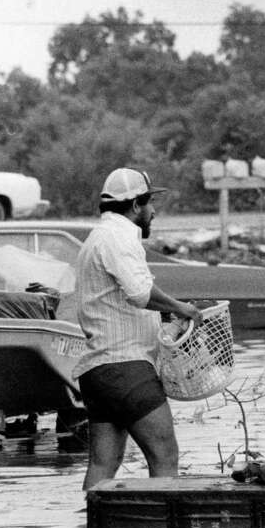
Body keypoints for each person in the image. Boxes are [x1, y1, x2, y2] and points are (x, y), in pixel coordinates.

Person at [74, 167, 203, 490]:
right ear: (135, 206)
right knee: (165, 456)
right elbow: (140, 293)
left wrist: (164, 319)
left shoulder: (97, 237)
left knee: (104, 463)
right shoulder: (120, 237)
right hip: (126, 368)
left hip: (98, 372)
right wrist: (181, 308)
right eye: (151, 204)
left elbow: (120, 302)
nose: (154, 212)